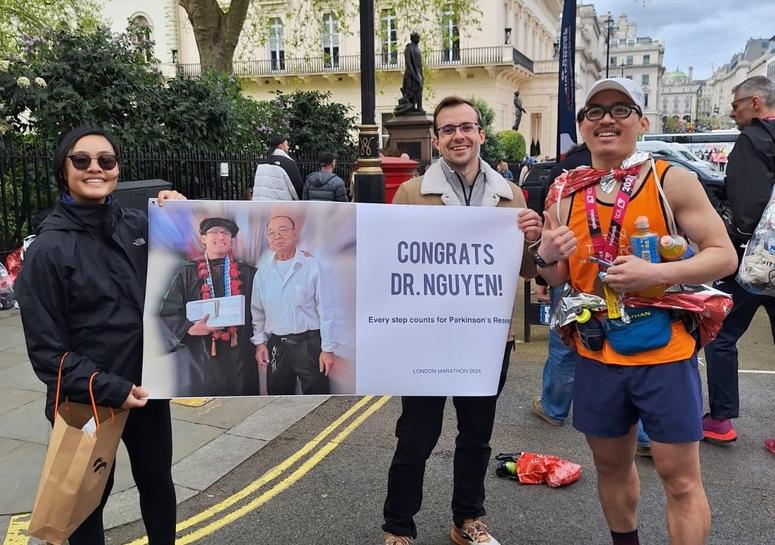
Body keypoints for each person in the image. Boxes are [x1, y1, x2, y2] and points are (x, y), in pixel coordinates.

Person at [537, 78, 737, 545]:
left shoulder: (670, 180)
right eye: (596, 111)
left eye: (621, 109)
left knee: (681, 479)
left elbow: (724, 256)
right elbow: (557, 278)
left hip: (663, 351)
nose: (607, 118)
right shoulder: (564, 190)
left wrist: (656, 275)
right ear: (583, 127)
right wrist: (545, 256)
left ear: (642, 123)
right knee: (610, 466)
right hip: (596, 351)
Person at [382, 96, 542, 545]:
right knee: (416, 435)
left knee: (476, 436)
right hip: (427, 338)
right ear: (436, 140)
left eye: (466, 127)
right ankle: (398, 526)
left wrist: (534, 237)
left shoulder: (512, 195)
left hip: (488, 339)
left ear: (481, 134)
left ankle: (467, 519)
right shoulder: (411, 193)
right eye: (448, 129)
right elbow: (394, 262)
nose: (458, 136)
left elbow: (528, 269)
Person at [14, 126, 185, 545]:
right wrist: (112, 388)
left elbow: (190, 260)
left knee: (158, 487)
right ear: (63, 170)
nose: (95, 168)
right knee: (84, 504)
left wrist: (181, 211)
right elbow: (46, 354)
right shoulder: (47, 251)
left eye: (106, 161)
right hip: (86, 399)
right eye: (82, 160)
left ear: (117, 169)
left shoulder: (138, 226)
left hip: (146, 390)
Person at [704, 75, 775, 447]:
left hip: (757, 262)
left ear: (756, 104)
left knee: (721, 335)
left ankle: (720, 419)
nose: (732, 112)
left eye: (736, 105)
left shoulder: (753, 139)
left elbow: (747, 208)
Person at [159, 217, 258, 396]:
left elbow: (263, 308)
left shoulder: (248, 273)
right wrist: (189, 329)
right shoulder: (186, 273)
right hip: (201, 355)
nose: (220, 236)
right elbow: (168, 312)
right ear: (203, 238)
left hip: (240, 353)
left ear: (231, 240)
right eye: (214, 232)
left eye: (225, 233)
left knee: (244, 402)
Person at [250, 215, 335, 395]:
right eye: (271, 233)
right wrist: (260, 343)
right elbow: (257, 313)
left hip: (309, 344)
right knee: (277, 401)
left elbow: (326, 309)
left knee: (317, 397)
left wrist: (328, 349)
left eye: (282, 230)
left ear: (295, 234)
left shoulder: (312, 266)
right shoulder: (262, 274)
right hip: (277, 347)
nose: (277, 236)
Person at [394, 32, 424, 115]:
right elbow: (408, 62)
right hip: (411, 74)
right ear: (413, 38)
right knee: (413, 90)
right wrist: (413, 74)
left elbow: (419, 64)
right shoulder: (409, 48)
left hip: (418, 73)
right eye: (417, 37)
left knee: (419, 89)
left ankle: (419, 107)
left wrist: (421, 75)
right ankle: (416, 106)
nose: (418, 39)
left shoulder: (417, 48)